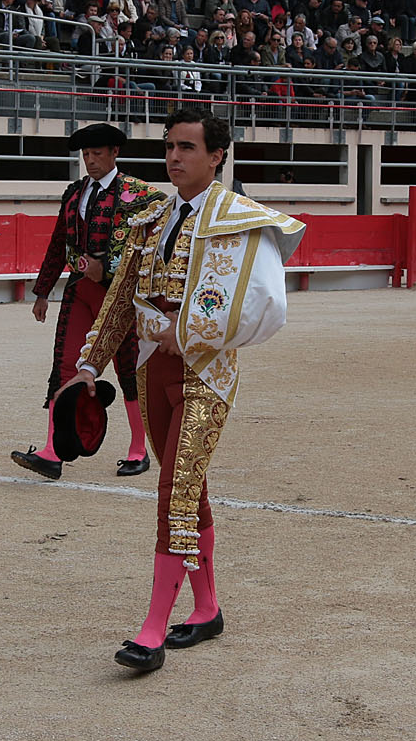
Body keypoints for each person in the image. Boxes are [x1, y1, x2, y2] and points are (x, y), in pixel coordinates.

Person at [54, 107, 305, 673]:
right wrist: (90, 366)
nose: (174, 157)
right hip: (153, 369)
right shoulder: (149, 218)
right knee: (190, 489)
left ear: (217, 156)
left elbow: (265, 304)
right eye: (170, 146)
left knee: (175, 489)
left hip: (206, 374)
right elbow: (120, 299)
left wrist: (185, 331)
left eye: (187, 147)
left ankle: (152, 628)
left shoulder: (240, 219)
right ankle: (208, 607)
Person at [11, 123, 167, 480]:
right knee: (64, 367)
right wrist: (42, 290)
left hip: (120, 296)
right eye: (86, 155)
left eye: (97, 154)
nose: (91, 161)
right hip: (80, 291)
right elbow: (58, 241)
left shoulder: (139, 195)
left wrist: (110, 267)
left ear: (115, 153)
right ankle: (52, 453)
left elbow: (157, 239)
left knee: (129, 371)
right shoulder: (74, 193)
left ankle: (139, 449)